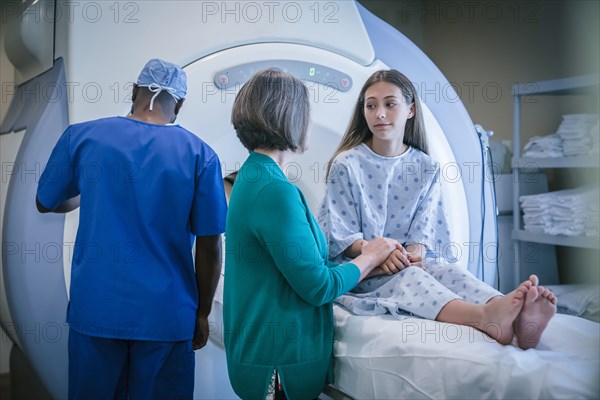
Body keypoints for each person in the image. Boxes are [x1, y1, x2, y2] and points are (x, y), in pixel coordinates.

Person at [318, 69, 557, 350]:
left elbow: (424, 234)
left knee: (448, 271)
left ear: (410, 110)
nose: (379, 113)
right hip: (362, 271)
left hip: (406, 261)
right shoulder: (347, 164)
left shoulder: (426, 168)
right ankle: (485, 317)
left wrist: (412, 254)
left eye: (389, 103)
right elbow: (339, 237)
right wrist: (376, 254)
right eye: (371, 105)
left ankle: (514, 316)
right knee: (411, 278)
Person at [36, 58, 227, 399]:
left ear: (133, 91)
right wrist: (202, 313)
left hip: (97, 309)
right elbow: (210, 245)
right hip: (166, 316)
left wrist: (90, 190)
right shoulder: (202, 155)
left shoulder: (81, 137)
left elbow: (44, 201)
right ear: (179, 104)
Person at [223, 68, 399, 400]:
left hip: (265, 357)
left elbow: (298, 270)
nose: (311, 123)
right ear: (289, 118)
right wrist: (370, 255)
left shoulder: (252, 176)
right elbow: (318, 286)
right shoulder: (274, 191)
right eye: (307, 114)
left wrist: (364, 265)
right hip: (279, 367)